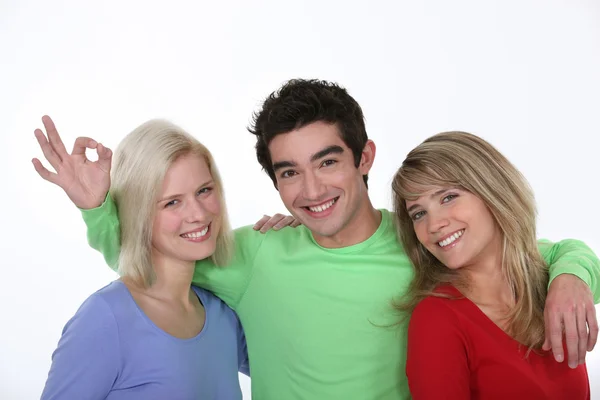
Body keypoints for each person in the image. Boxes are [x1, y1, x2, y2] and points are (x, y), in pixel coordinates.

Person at [39, 80, 600, 399]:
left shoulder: (420, 240)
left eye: (327, 162)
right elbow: (155, 257)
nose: (311, 190)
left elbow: (526, 252)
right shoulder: (254, 256)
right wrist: (99, 208)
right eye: (288, 172)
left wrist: (573, 274)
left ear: (364, 158)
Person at [34, 117, 250, 399]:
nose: (198, 214)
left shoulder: (224, 317)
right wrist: (96, 209)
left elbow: (291, 370)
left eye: (204, 190)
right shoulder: (105, 318)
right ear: (139, 212)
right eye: (172, 202)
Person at [392, 131, 593, 399]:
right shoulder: (437, 319)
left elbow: (571, 251)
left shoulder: (550, 284)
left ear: (491, 189)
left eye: (448, 197)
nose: (433, 225)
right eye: (419, 213)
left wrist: (573, 276)